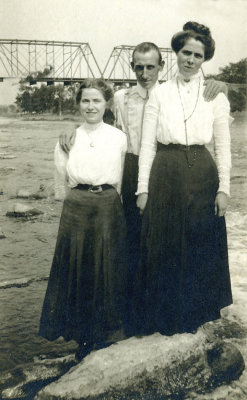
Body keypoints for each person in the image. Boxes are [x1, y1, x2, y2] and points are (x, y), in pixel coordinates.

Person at [59, 42, 227, 334]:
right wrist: (71, 130)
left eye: (151, 66)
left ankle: (170, 311)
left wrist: (220, 81)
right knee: (133, 242)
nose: (145, 72)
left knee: (165, 243)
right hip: (131, 168)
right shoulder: (122, 98)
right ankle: (130, 317)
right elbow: (95, 119)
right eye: (139, 66)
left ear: (162, 66)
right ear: (132, 68)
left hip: (165, 170)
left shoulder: (173, 94)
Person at [136, 22, 232, 336]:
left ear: (205, 59)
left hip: (203, 172)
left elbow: (223, 144)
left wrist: (224, 188)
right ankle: (163, 323)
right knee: (164, 245)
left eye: (197, 55)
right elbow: (147, 143)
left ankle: (199, 319)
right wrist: (143, 188)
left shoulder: (215, 94)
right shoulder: (159, 93)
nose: (190, 60)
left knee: (201, 243)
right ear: (176, 53)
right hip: (166, 169)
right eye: (185, 53)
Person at [39, 79, 128, 361]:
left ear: (107, 104)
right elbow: (59, 186)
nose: (91, 106)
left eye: (97, 100)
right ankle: (83, 339)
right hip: (76, 206)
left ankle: (108, 335)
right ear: (78, 104)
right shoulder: (67, 139)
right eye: (85, 101)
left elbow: (123, 178)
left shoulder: (119, 137)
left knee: (109, 269)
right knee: (79, 270)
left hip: (108, 205)